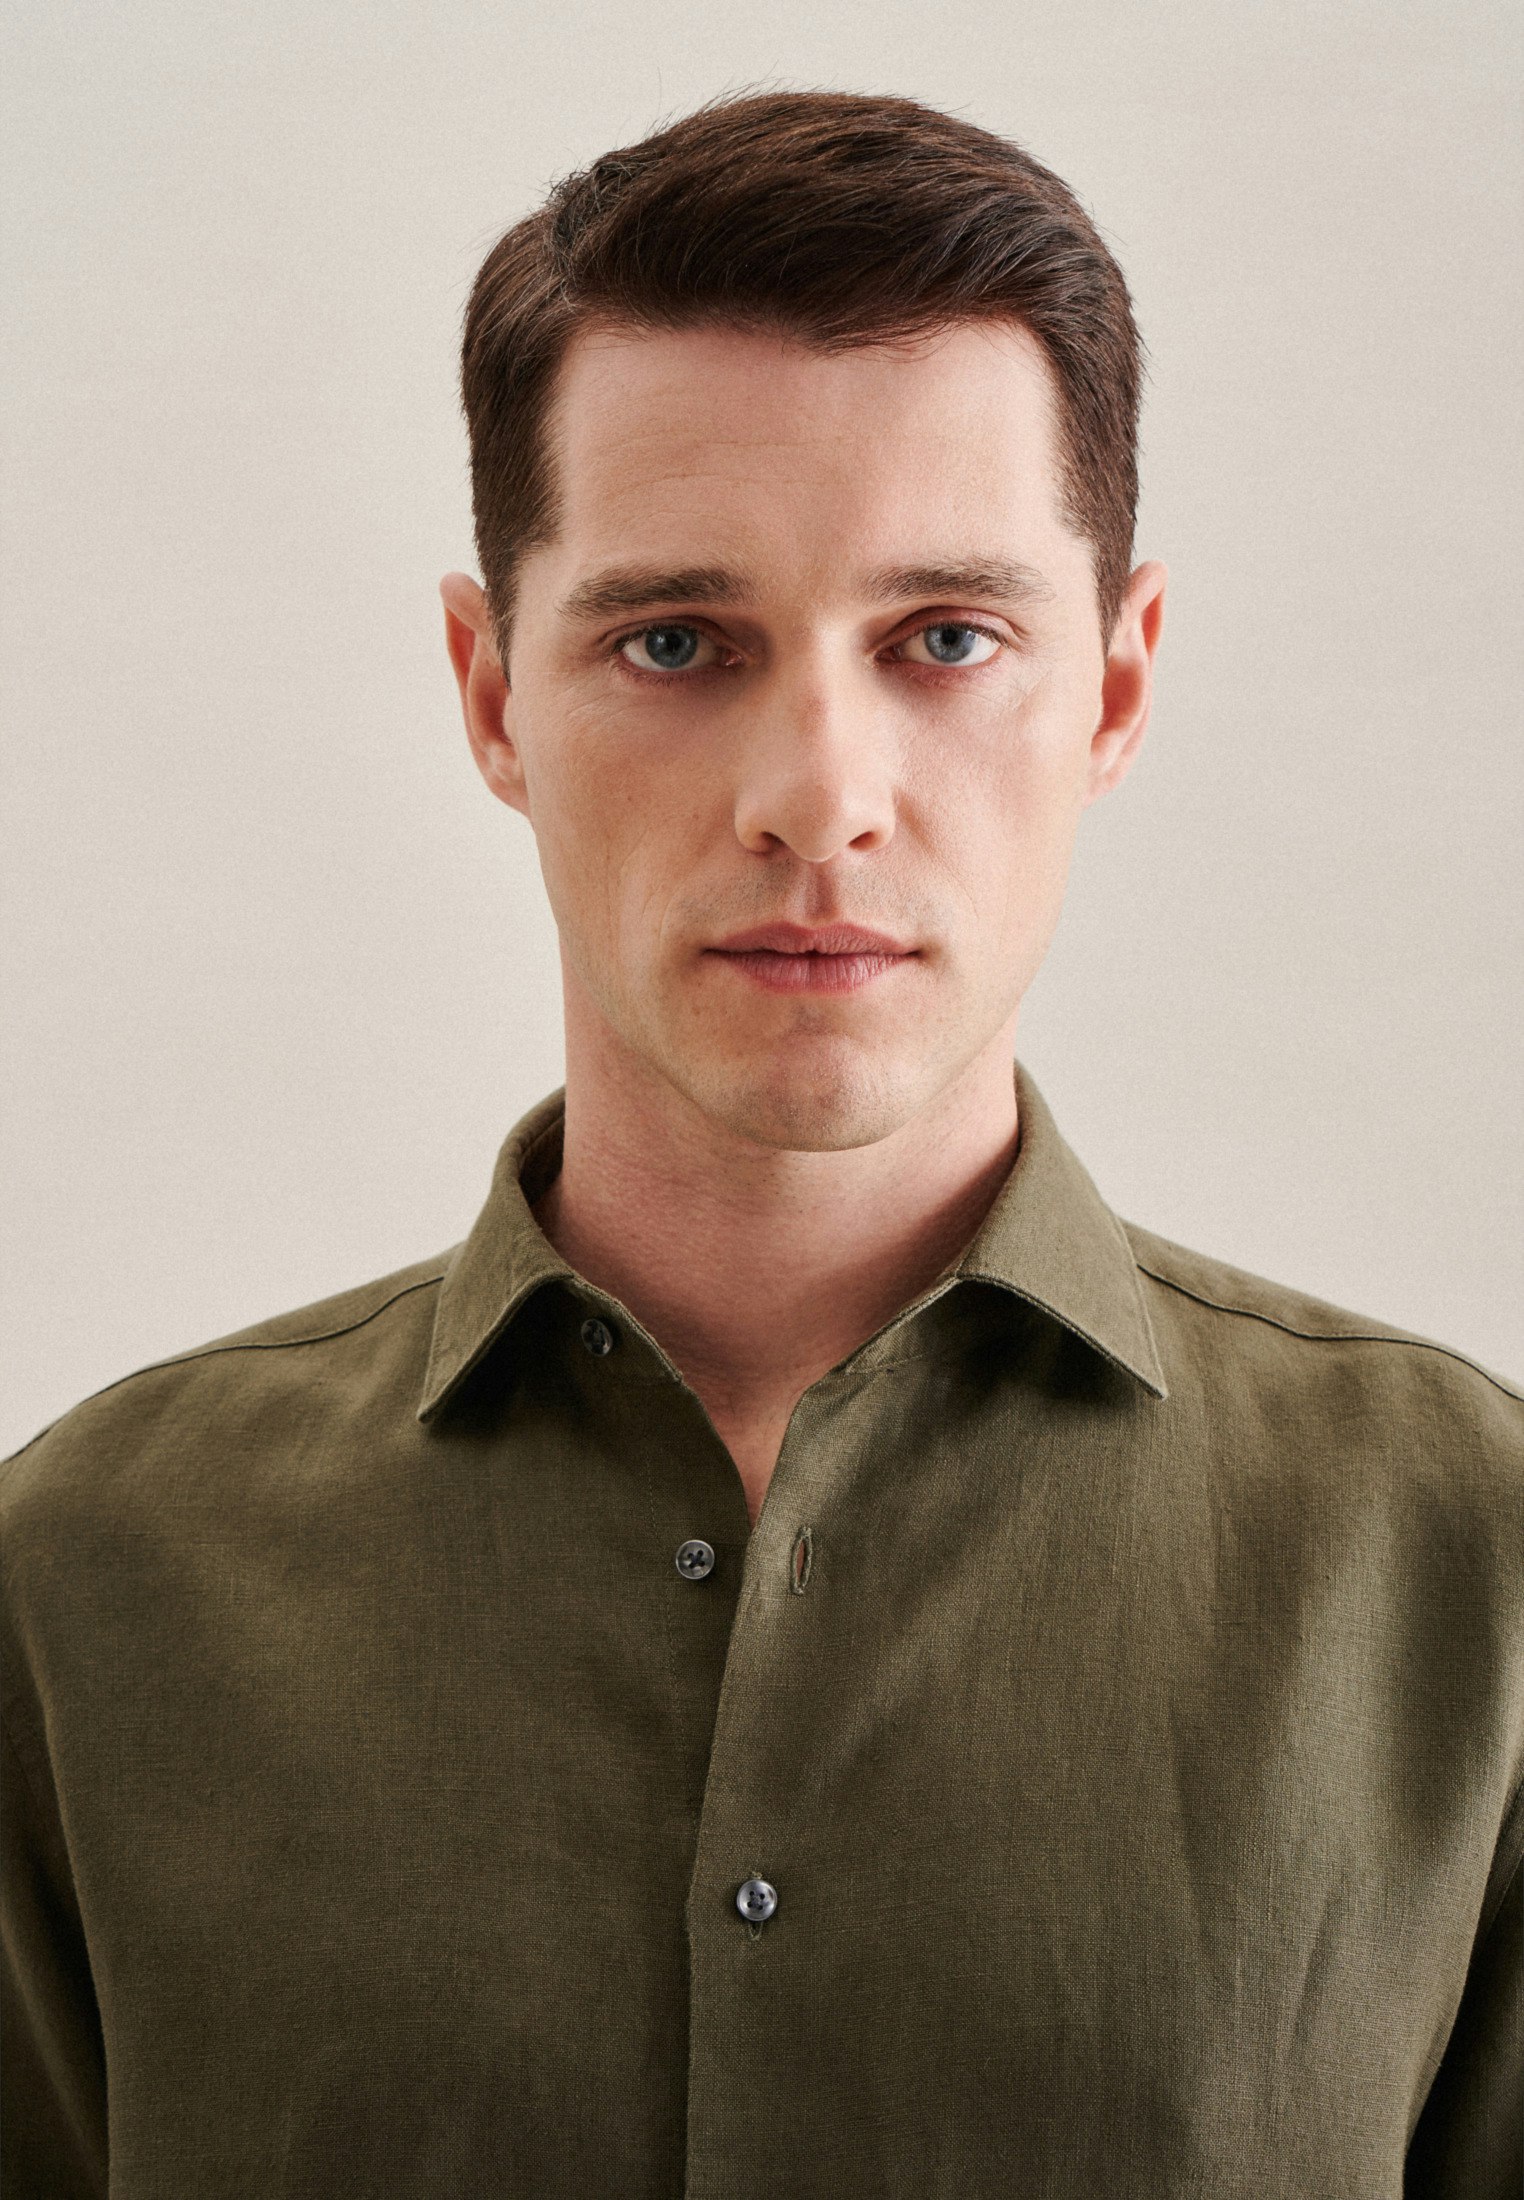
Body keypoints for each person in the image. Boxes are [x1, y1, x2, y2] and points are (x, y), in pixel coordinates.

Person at [2, 86, 1518, 2200]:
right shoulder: (81, 1581)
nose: (819, 795)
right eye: (676, 642)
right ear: (490, 693)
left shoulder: (1470, 1569)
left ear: (1116, 685)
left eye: (948, 639)